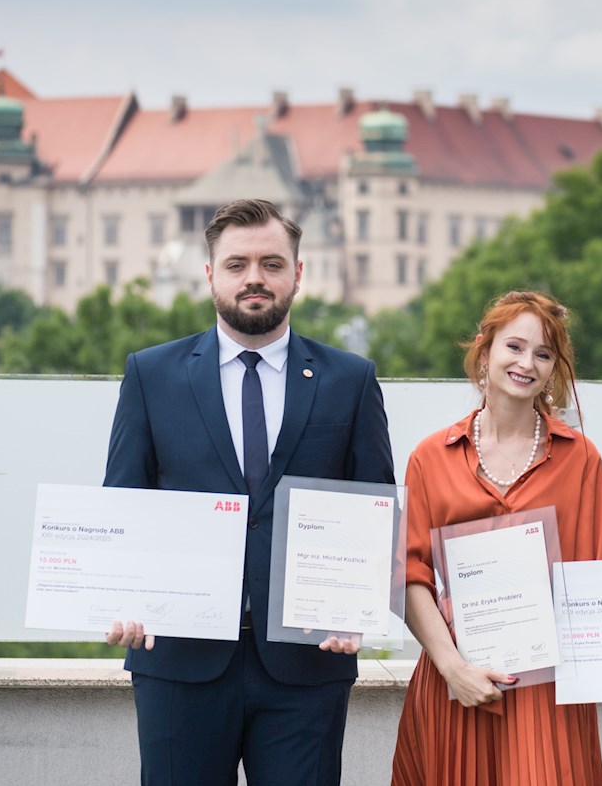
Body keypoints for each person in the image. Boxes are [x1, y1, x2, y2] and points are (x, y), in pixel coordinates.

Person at [103, 198, 394, 785]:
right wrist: (121, 597)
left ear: (298, 273)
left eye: (271, 263)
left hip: (307, 664)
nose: (254, 278)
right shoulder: (151, 374)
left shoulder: (351, 380)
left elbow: (374, 506)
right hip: (178, 663)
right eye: (237, 265)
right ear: (210, 274)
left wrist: (358, 603)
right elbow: (123, 504)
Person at [390, 290, 602, 786]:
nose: (526, 363)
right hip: (456, 681)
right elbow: (411, 576)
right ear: (484, 349)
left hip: (546, 691)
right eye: (514, 347)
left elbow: (589, 582)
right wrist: (453, 669)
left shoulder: (581, 458)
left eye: (543, 354)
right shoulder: (430, 456)